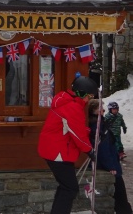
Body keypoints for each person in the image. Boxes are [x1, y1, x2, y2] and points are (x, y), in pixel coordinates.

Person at [37, 76, 98, 214]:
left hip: (56, 150)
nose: (88, 100)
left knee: (66, 186)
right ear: (81, 93)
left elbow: (73, 128)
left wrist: (89, 133)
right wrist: (89, 150)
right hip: (58, 152)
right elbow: (77, 134)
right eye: (88, 96)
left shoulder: (67, 102)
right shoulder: (72, 107)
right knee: (70, 188)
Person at [88, 99, 132, 214]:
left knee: (120, 196)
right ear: (94, 111)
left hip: (112, 160)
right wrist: (111, 166)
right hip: (109, 165)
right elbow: (103, 148)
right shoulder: (96, 127)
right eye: (100, 110)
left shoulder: (102, 123)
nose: (103, 111)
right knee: (120, 195)